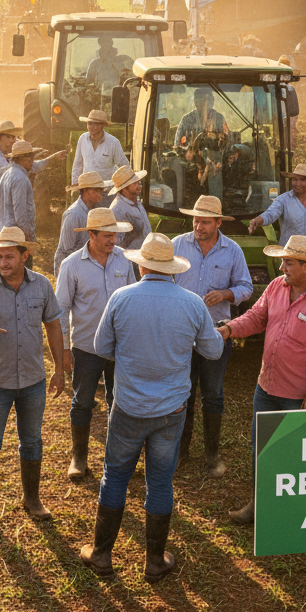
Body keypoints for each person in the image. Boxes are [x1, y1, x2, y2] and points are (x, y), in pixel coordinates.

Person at [80, 233, 224, 582]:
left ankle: (101, 554)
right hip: (171, 411)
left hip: (129, 406)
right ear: (172, 268)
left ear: (141, 264)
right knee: (160, 482)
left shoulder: (121, 298)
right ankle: (155, 561)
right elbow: (214, 351)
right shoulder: (192, 303)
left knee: (115, 476)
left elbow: (102, 346)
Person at [220, 236, 306, 525]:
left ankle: (295, 516)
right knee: (261, 449)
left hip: (298, 395)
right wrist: (228, 329)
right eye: (282, 260)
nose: (282, 266)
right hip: (267, 386)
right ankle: (259, 504)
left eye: (288, 262)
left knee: (297, 458)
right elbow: (256, 318)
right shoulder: (276, 287)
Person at [0, 226, 65, 528]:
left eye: (8, 257)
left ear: (25, 256)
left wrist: (58, 369)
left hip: (33, 380)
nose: (2, 262)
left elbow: (53, 326)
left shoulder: (42, 286)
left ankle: (32, 499)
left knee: (32, 441)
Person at [171, 195, 253, 476]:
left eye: (205, 222)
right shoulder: (177, 245)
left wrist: (226, 293)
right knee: (183, 393)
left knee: (213, 394)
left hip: (216, 332)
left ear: (219, 223)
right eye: (196, 220)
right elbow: (164, 280)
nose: (199, 226)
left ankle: (212, 456)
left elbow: (246, 287)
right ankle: (180, 453)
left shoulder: (233, 251)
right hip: (180, 333)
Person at [55, 208, 136, 480]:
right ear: (90, 235)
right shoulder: (71, 265)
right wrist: (65, 350)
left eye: (114, 235)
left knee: (119, 401)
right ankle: (78, 457)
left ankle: (117, 458)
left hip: (119, 346)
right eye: (106, 236)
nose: (113, 241)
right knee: (82, 401)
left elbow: (133, 296)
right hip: (86, 347)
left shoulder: (124, 260)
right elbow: (60, 311)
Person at [0, 120, 64, 271]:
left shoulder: (10, 172)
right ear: (0, 138)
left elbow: (32, 166)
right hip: (1, 212)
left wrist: (51, 157)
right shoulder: (0, 163)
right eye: (29, 157)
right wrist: (30, 239)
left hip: (5, 215)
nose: (12, 140)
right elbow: (20, 213)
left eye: (13, 137)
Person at [248, 163, 306, 276]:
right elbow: (270, 214)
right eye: (295, 180)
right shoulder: (283, 200)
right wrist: (256, 221)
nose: (297, 184)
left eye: (302, 180)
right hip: (290, 260)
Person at [54, 171, 112, 276]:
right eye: (96, 190)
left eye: (101, 191)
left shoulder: (92, 211)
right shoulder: (74, 214)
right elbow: (67, 250)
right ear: (85, 191)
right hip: (70, 269)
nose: (100, 194)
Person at [0, 139, 39, 258]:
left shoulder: (7, 174)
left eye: (32, 157)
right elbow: (21, 216)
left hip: (5, 235)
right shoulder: (20, 179)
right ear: (19, 159)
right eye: (29, 158)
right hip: (18, 240)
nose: (32, 161)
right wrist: (30, 240)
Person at [71, 109, 128, 183]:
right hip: (88, 188)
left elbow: (124, 166)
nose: (91, 127)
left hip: (107, 189)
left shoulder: (113, 142)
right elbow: (78, 164)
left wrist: (126, 186)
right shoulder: (83, 139)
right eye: (89, 123)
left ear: (103, 125)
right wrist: (75, 184)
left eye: (95, 124)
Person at [175, 86, 229, 158]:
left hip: (215, 158)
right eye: (202, 100)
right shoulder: (187, 120)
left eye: (208, 100)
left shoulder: (219, 118)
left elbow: (226, 142)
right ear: (195, 102)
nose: (206, 104)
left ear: (212, 101)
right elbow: (177, 145)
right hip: (192, 160)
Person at [109, 165, 151, 253]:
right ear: (124, 189)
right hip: (129, 260)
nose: (139, 186)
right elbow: (115, 243)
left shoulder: (137, 201)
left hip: (143, 256)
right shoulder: (118, 209)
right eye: (135, 183)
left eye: (139, 182)